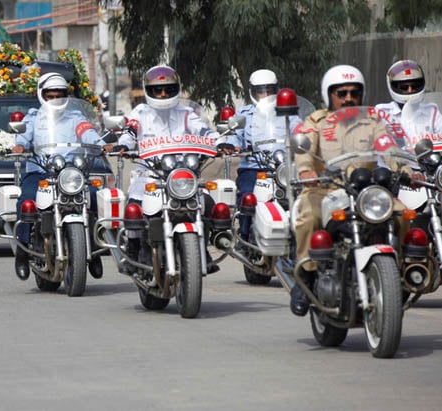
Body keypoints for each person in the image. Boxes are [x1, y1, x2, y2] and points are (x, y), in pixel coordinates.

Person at [291, 64, 418, 316]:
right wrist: (307, 171)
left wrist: (405, 169)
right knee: (308, 217)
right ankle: (305, 275)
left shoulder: (373, 121)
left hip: (366, 188)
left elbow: (388, 147)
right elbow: (303, 150)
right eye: (342, 93)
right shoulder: (316, 121)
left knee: (403, 213)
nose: (348, 98)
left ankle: (399, 269)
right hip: (325, 188)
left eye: (354, 93)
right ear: (330, 95)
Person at [114, 64, 231, 272]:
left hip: (181, 176)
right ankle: (135, 250)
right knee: (134, 207)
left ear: (176, 89)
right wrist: (124, 144)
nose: (162, 93)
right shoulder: (140, 112)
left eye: (168, 89)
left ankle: (201, 249)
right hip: (150, 176)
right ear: (148, 91)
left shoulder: (186, 113)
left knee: (207, 202)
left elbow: (203, 130)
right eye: (157, 90)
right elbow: (130, 131)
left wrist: (218, 142)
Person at [11, 72, 111, 280]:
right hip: (41, 172)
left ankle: (91, 248)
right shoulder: (33, 117)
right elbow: (23, 135)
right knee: (28, 201)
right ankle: (22, 251)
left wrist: (102, 146)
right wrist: (20, 145)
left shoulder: (76, 117)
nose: (56, 99)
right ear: (42, 95)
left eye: (60, 94)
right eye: (51, 95)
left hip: (71, 174)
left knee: (94, 197)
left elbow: (88, 134)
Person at [232, 69, 302, 244]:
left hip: (282, 168)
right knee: (248, 195)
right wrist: (230, 144)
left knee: (301, 196)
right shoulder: (244, 114)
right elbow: (233, 132)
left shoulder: (287, 112)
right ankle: (244, 235)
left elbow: (300, 129)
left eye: (269, 91)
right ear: (252, 92)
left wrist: (305, 140)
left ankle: (299, 238)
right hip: (252, 167)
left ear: (276, 90)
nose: (265, 95)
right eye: (260, 91)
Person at [375, 59, 442, 150]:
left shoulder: (431, 111)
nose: (410, 90)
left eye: (414, 86)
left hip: (428, 161)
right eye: (404, 87)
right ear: (392, 86)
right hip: (394, 162)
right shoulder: (382, 112)